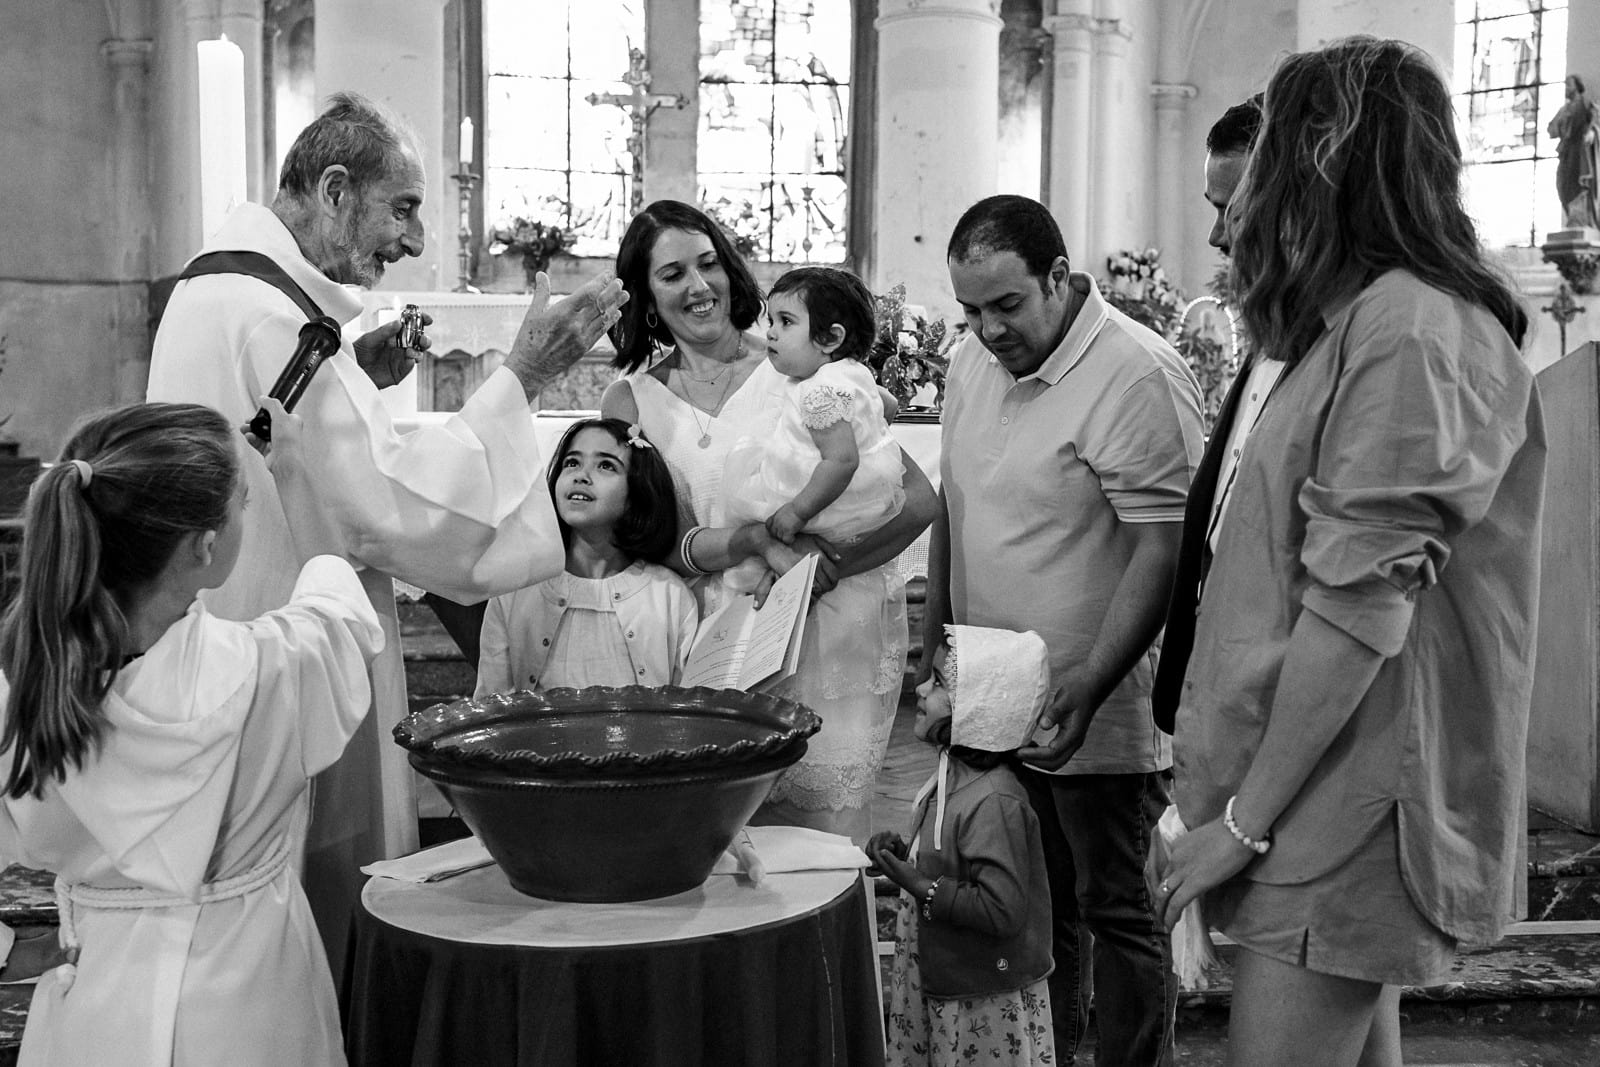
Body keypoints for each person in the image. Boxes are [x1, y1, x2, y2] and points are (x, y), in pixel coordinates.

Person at [146, 92, 626, 969]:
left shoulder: (218, 284)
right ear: (334, 190)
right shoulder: (274, 313)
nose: (411, 241)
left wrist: (353, 375)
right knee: (302, 908)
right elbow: (383, 514)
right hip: (284, 653)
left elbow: (263, 441)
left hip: (226, 632)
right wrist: (522, 375)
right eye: (402, 208)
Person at [1155, 38, 1545, 1067]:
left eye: (1277, 146)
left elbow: (1357, 608)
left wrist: (1238, 822)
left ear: (1321, 160)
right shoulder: (1361, 321)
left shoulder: (1410, 329)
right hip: (1320, 783)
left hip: (1349, 790)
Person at [0, 400, 382, 1065]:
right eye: (241, 503)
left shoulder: (24, 683)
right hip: (247, 1003)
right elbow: (337, 604)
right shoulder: (269, 669)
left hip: (94, 1002)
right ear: (206, 548)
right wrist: (292, 470)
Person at [927, 193, 1204, 1064]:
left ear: (1059, 275)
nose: (988, 329)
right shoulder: (971, 359)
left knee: (1115, 905)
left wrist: (1086, 683)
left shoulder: (1136, 375)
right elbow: (954, 504)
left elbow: (1163, 552)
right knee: (1029, 902)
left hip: (1100, 704)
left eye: (1007, 305)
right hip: (992, 692)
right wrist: (938, 640)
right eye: (970, 310)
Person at [600, 199, 937, 841]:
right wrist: (756, 540)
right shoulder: (631, 399)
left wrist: (824, 571)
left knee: (824, 835)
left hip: (825, 629)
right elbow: (651, 540)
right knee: (716, 842)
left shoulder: (802, 366)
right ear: (644, 296)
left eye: (708, 265)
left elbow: (918, 501)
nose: (699, 287)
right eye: (672, 275)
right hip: (708, 642)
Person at [868, 624, 1056, 1067]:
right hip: (947, 973)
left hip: (981, 1000)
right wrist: (902, 850)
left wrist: (915, 882)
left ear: (981, 707)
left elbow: (1001, 910)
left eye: (938, 682)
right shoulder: (952, 776)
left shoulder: (995, 802)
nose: (922, 687)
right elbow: (949, 856)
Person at [1151, 96, 1266, 733]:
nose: (1219, 235)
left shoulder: (1370, 348)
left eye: (1233, 209)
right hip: (1220, 704)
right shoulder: (1272, 339)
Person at [473, 418, 698, 696]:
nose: (581, 475)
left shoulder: (669, 597)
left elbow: (684, 710)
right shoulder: (515, 592)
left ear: (637, 493)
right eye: (572, 463)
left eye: (606, 465)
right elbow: (491, 707)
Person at [722, 266, 905, 592]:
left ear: (831, 338)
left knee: (751, 551)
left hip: (817, 503)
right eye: (772, 321)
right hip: (847, 498)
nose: (771, 333)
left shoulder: (818, 390)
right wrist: (870, 439)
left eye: (786, 322)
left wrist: (797, 512)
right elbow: (888, 405)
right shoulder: (850, 372)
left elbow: (841, 462)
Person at [1550, 74, 1600, 230]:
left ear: (1577, 86)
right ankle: (1572, 218)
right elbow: (1551, 130)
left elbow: (1595, 119)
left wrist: (1593, 132)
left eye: (1569, 85)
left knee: (1578, 184)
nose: (1566, 88)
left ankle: (1580, 220)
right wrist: (1561, 124)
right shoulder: (1564, 109)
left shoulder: (1585, 103)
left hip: (1580, 153)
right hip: (1566, 152)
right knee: (1563, 185)